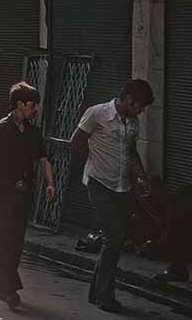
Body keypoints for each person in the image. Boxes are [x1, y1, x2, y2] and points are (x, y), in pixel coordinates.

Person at [71, 78, 156, 313]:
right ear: (129, 100)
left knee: (114, 242)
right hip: (99, 184)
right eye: (140, 106)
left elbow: (131, 151)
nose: (141, 111)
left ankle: (95, 292)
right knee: (114, 238)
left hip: (122, 187)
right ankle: (105, 297)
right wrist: (94, 160)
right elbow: (76, 141)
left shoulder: (133, 122)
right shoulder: (97, 113)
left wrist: (141, 176)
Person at [0, 82, 55, 310]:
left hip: (26, 192)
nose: (35, 109)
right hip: (5, 193)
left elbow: (44, 160)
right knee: (8, 240)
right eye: (32, 105)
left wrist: (50, 183)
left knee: (16, 242)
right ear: (20, 104)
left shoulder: (34, 133)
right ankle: (9, 290)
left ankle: (2, 287)